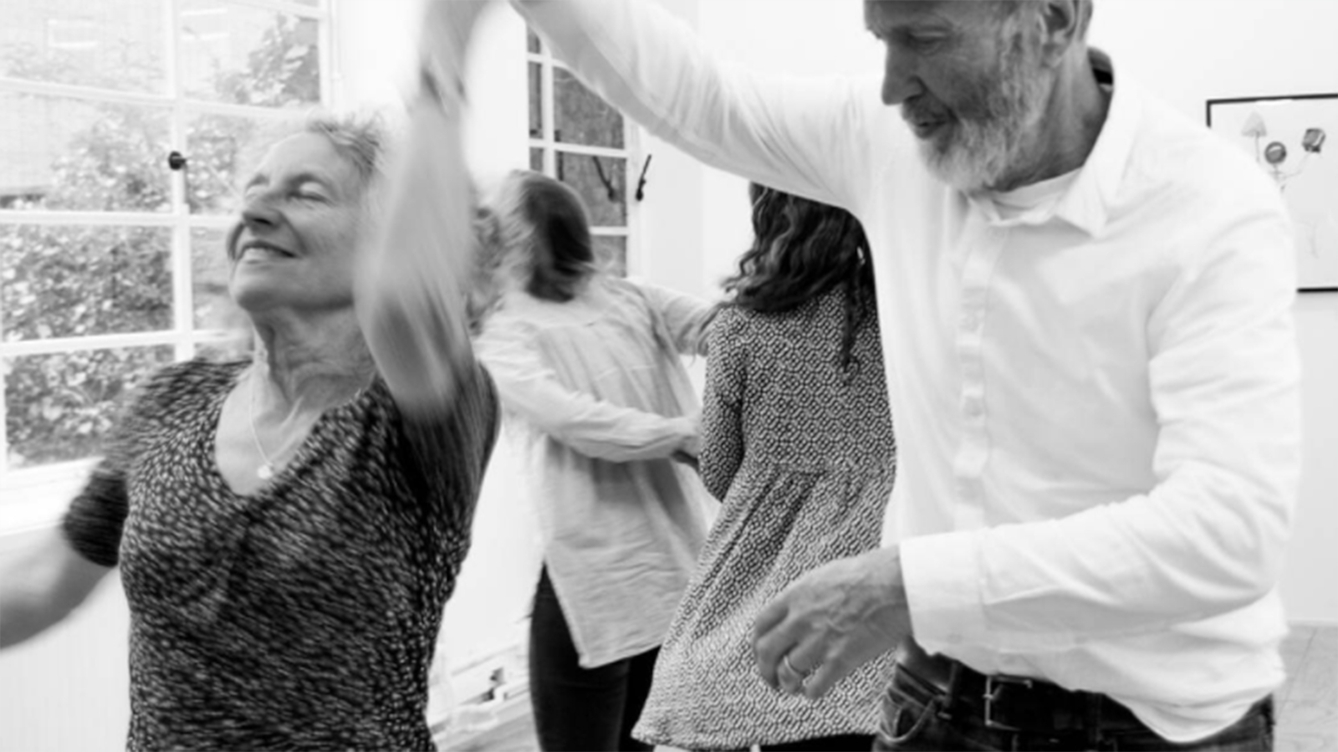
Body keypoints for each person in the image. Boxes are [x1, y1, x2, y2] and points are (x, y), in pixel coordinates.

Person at [491, 0, 1302, 749]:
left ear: (1051, 19)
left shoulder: (1208, 209)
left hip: (1148, 729)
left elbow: (1226, 531)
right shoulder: (889, 145)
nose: (890, 85)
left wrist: (906, 584)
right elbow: (700, 97)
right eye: (881, 37)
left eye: (924, 37)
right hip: (936, 703)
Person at [0, 11, 501, 746]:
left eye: (305, 193)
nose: (255, 209)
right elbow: (46, 586)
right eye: (255, 191)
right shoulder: (173, 402)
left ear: (382, 240)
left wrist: (443, 58)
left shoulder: (415, 413)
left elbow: (406, 303)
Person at [632, 183, 897, 752]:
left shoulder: (743, 324)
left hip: (772, 579)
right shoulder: (897, 315)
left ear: (769, 213)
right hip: (881, 574)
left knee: (738, 686)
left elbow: (722, 471)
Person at [473, 169, 715, 752]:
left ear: (514, 240)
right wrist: (684, 434)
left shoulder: (626, 300)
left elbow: (724, 331)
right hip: (633, 576)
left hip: (635, 577)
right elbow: (572, 420)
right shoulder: (511, 328)